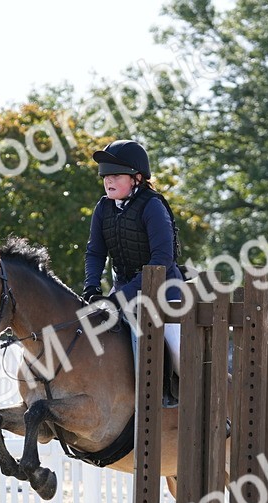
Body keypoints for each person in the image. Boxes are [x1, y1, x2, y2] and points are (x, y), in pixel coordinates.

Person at [82, 139, 187, 372]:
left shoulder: (153, 206)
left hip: (163, 293)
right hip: (122, 289)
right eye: (105, 176)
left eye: (116, 175)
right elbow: (95, 252)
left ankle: (183, 401)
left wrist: (121, 297)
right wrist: (91, 287)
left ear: (137, 178)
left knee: (180, 355)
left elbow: (162, 259)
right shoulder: (103, 208)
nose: (108, 180)